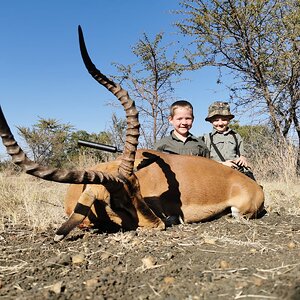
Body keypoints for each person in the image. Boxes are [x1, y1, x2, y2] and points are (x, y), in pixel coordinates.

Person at [203, 101, 255, 180]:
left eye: (224, 119)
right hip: (216, 174)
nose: (220, 123)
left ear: (229, 120)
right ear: (211, 121)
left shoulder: (236, 136)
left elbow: (242, 154)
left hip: (235, 174)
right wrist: (223, 164)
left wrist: (242, 159)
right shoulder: (207, 138)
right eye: (216, 120)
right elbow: (205, 162)